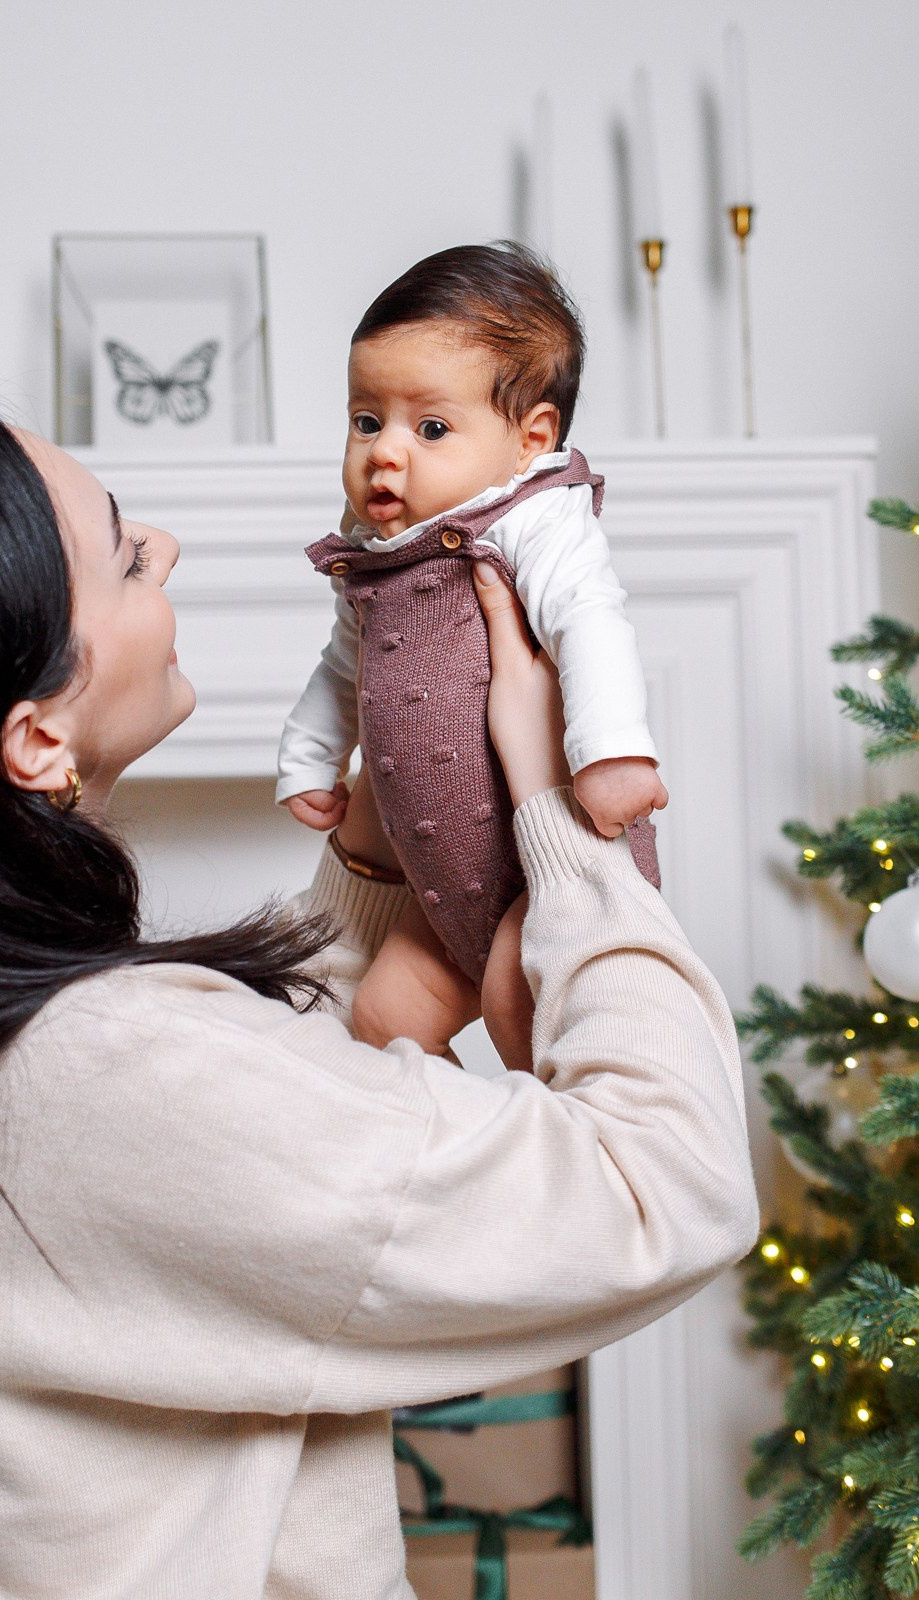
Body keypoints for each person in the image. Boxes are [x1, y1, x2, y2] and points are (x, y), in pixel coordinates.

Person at [0, 398, 756, 1597]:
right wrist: (566, 819)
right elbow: (664, 1183)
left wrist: (372, 854)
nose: (164, 545)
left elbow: (228, 1152)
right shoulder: (104, 1076)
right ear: (36, 737)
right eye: (120, 551)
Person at [275, 244, 669, 1072]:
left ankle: (563, 1175)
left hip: (546, 867)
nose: (386, 452)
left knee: (517, 1013)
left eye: (431, 428)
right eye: (365, 420)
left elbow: (589, 620)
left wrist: (613, 754)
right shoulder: (375, 548)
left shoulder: (535, 516)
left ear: (531, 440)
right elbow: (349, 660)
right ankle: (460, 1184)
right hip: (439, 881)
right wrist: (314, 755)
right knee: (383, 1019)